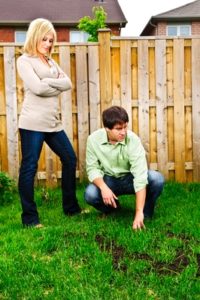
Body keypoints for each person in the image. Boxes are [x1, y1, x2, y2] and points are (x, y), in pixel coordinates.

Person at [17, 18, 81, 227]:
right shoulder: (25, 61)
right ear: (35, 37)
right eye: (44, 39)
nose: (47, 43)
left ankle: (71, 209)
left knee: (70, 159)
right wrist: (54, 85)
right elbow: (37, 88)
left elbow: (68, 84)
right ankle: (30, 218)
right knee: (29, 167)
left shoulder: (50, 62)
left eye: (51, 40)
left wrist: (47, 82)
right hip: (32, 123)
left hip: (53, 123)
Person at [84, 106, 164, 230]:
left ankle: (145, 213)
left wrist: (138, 212)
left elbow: (140, 176)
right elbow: (92, 168)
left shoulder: (133, 140)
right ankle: (113, 209)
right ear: (107, 128)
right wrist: (104, 188)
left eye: (125, 127)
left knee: (156, 179)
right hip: (109, 180)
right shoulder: (93, 140)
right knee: (90, 194)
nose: (123, 132)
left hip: (129, 179)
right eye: (118, 129)